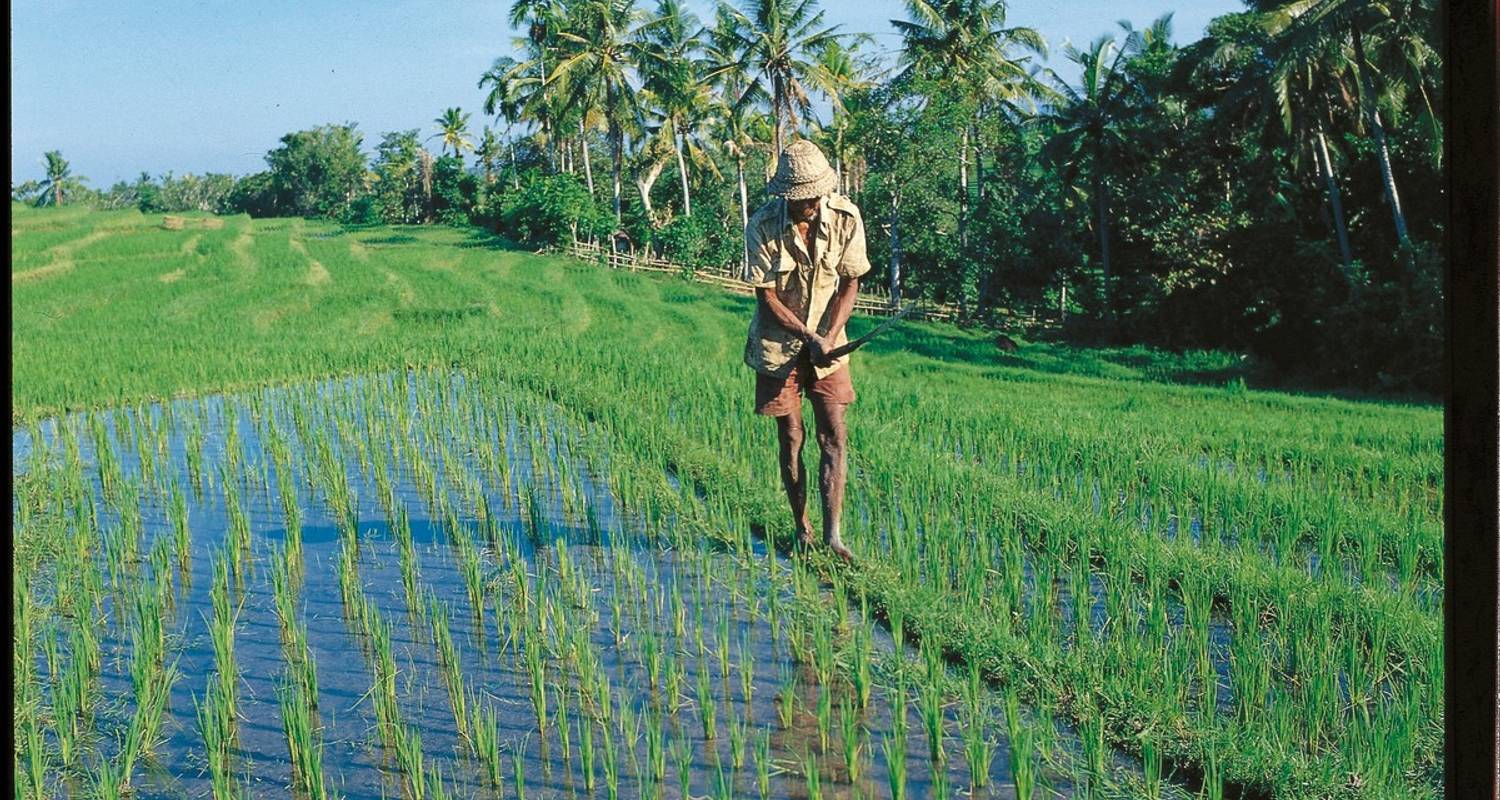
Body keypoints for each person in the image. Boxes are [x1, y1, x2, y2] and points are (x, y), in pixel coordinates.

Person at [741, 139, 871, 562]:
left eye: (813, 198)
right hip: (779, 345)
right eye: (799, 200)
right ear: (785, 196)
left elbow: (851, 281)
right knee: (792, 435)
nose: (808, 206)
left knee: (833, 434)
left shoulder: (847, 218)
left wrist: (829, 336)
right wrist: (809, 337)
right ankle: (802, 527)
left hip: (829, 344)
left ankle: (834, 535)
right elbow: (767, 298)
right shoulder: (762, 224)